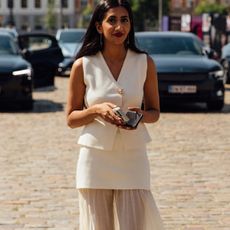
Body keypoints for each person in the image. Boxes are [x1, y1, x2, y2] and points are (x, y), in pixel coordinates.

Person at [66, 0, 164, 229]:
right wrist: (96, 110)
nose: (119, 26)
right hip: (95, 159)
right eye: (112, 20)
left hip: (133, 156)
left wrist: (140, 116)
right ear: (99, 26)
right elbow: (71, 118)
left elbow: (155, 112)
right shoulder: (83, 65)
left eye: (124, 20)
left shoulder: (144, 62)